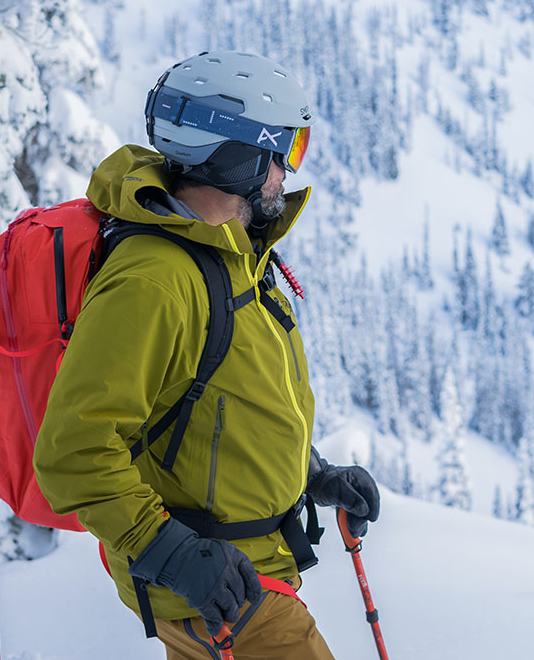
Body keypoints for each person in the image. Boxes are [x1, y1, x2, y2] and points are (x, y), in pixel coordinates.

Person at [33, 50, 380, 660]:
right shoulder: (157, 280)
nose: (287, 175)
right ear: (239, 155)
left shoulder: (231, 253)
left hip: (234, 576)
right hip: (224, 589)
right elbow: (72, 450)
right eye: (287, 152)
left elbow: (223, 407)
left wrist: (312, 473)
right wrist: (170, 553)